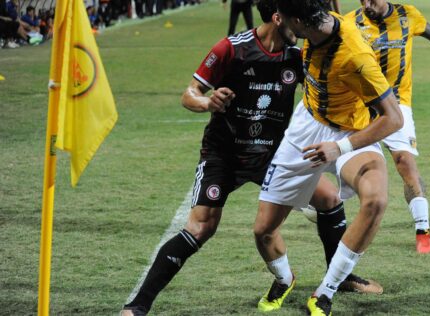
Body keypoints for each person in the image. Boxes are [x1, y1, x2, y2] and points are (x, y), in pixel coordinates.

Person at [120, 1, 378, 315]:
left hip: (272, 153)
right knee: (201, 227)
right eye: (295, 23)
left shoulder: (299, 55)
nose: (301, 30)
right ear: (278, 17)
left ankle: (340, 277)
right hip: (224, 154)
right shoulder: (232, 49)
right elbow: (189, 94)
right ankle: (138, 305)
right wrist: (207, 102)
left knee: (329, 200)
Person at [252, 0, 403, 315]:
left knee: (376, 200)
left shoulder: (356, 56)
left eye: (285, 22)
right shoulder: (319, 23)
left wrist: (342, 147)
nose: (280, 26)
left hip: (351, 132)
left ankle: (326, 291)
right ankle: (284, 278)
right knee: (263, 230)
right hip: (307, 127)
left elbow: (393, 118)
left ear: (299, 22)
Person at [343, 1, 430, 254]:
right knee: (344, 166)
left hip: (397, 104)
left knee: (405, 163)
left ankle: (423, 230)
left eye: (372, 0)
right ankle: (324, 207)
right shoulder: (350, 22)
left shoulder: (406, 15)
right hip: (359, 104)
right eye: (362, 0)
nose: (366, 5)